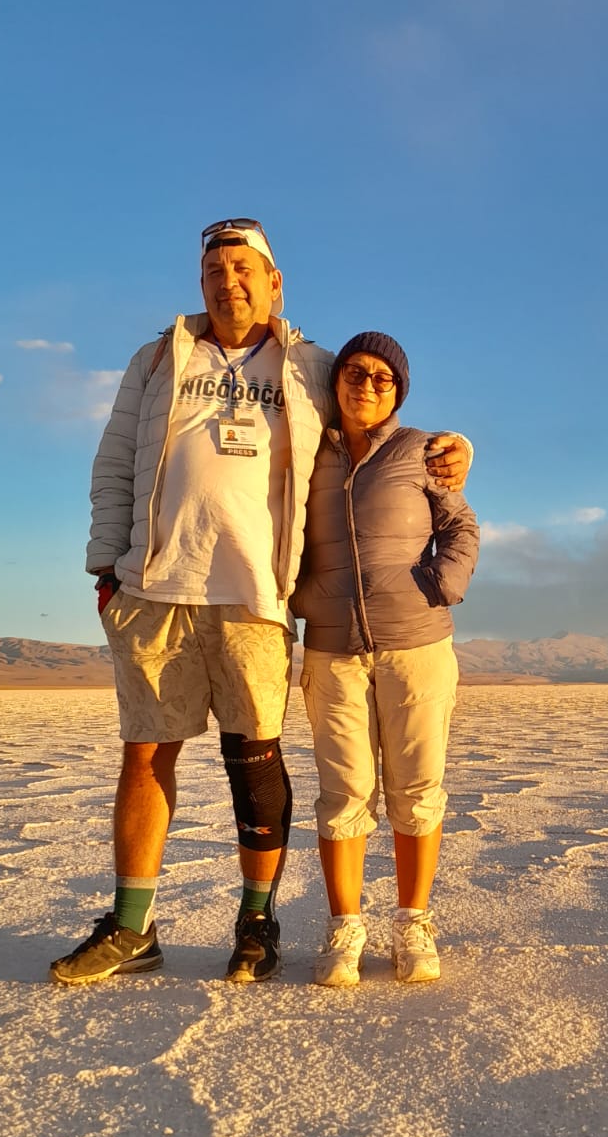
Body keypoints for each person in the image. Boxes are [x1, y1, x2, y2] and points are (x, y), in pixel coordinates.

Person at [50, 222, 470, 985]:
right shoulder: (157, 361)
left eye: (244, 268)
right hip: (155, 588)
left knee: (256, 761)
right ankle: (133, 928)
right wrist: (105, 570)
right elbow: (113, 463)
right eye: (213, 268)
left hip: (256, 597)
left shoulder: (310, 366)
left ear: (276, 284)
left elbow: (375, 419)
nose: (227, 281)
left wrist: (455, 447)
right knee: (146, 755)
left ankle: (256, 924)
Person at [293, 332, 479, 987]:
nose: (365, 385)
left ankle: (412, 923)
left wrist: (440, 586)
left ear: (397, 391)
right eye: (354, 371)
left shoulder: (421, 452)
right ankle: (346, 930)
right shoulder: (307, 453)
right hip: (332, 647)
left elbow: (460, 525)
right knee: (344, 793)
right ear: (335, 379)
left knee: (418, 790)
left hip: (417, 646)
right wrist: (298, 596)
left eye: (381, 378)